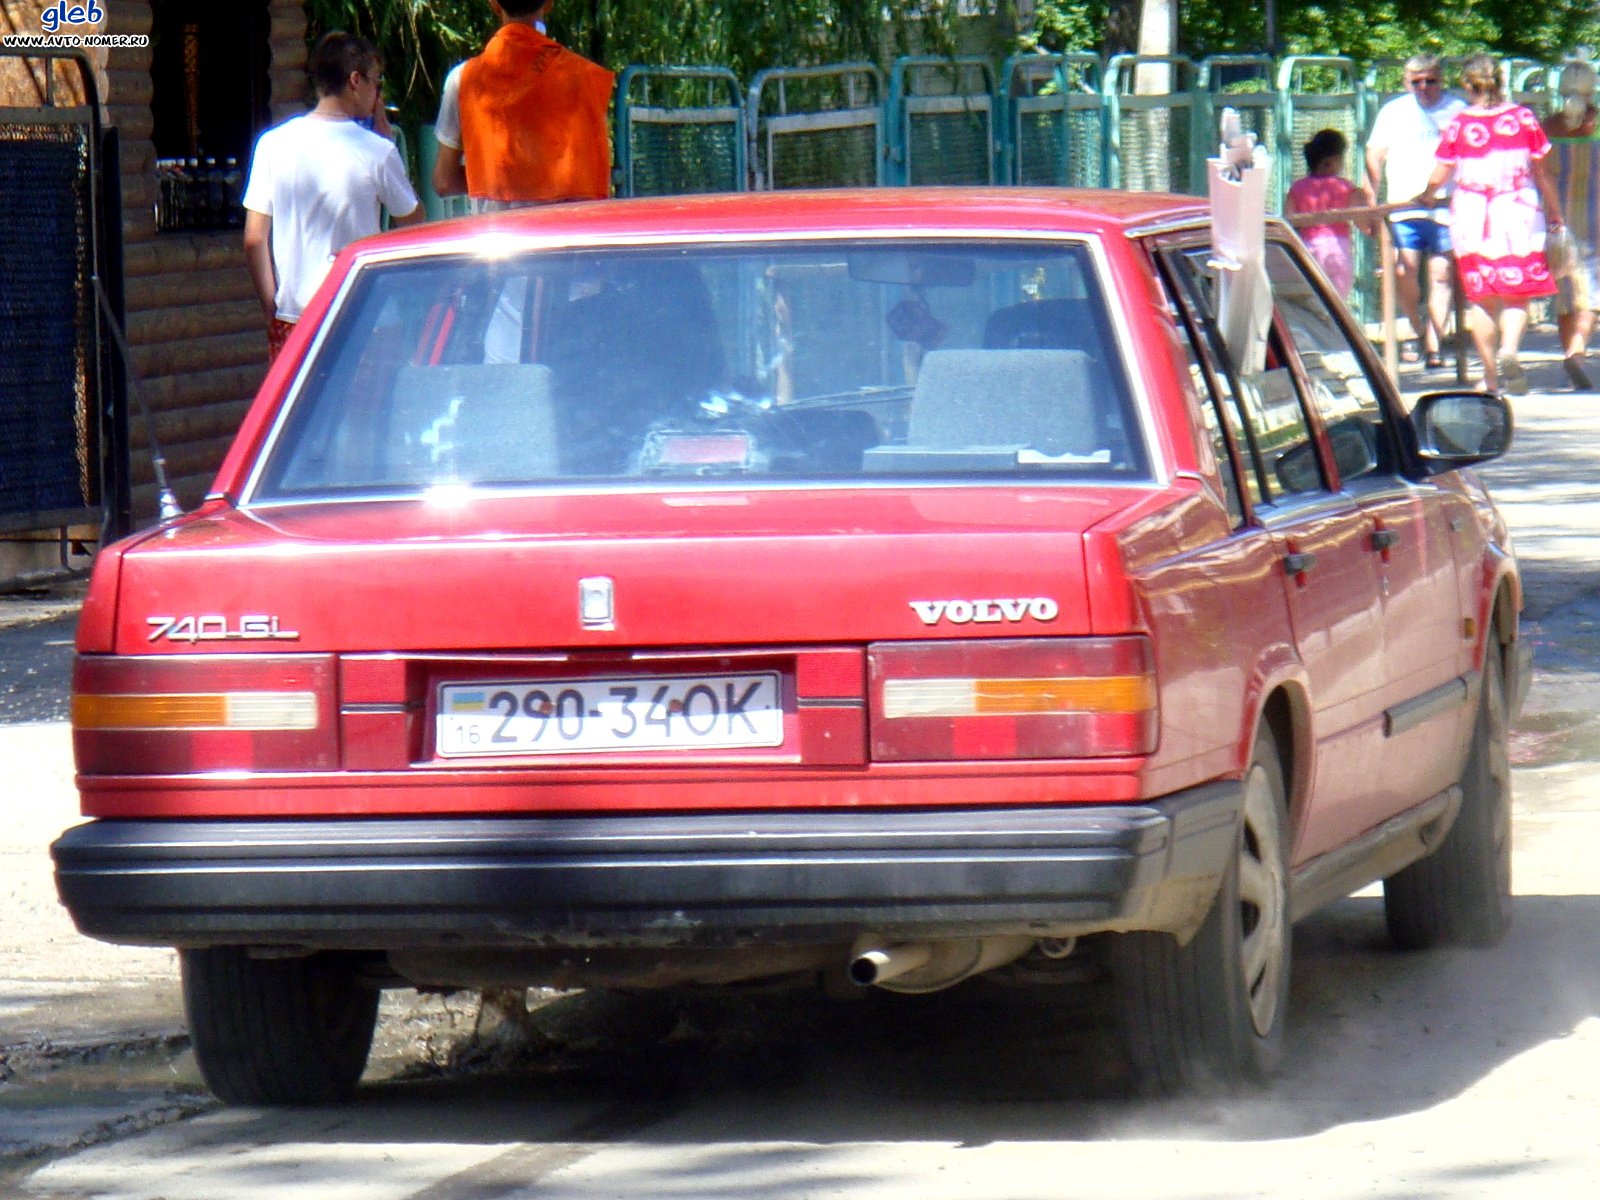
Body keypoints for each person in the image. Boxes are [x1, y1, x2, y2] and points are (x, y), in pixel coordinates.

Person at [243, 32, 421, 363]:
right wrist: (388, 145)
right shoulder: (377, 151)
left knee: (304, 412)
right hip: (364, 311)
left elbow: (254, 238)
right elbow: (413, 220)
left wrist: (273, 305)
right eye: (376, 84)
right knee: (371, 411)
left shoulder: (272, 144)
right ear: (356, 80)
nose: (376, 94)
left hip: (295, 314)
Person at [1417, 54, 1563, 394]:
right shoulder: (1524, 118)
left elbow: (1443, 169)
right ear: (1500, 81)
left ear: (1468, 85)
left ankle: (1490, 376)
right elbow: (1543, 172)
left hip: (1471, 214)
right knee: (1517, 293)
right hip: (1518, 211)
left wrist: (1427, 193)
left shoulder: (1461, 123)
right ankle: (1509, 349)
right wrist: (1555, 212)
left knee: (1481, 298)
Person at [431, 0, 614, 211]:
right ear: (548, 3)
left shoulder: (464, 80)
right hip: (568, 235)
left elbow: (443, 181)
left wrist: (497, 174)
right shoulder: (583, 78)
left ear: (494, 4)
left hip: (498, 239)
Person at [1366, 53, 1467, 369]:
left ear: (1441, 80)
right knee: (1404, 270)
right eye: (1416, 82)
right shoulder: (1393, 112)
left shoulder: (1458, 111)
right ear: (1406, 83)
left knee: (1441, 274)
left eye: (1431, 81)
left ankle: (1435, 346)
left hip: (1446, 207)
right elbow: (1374, 155)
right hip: (1404, 206)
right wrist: (1370, 200)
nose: (1424, 87)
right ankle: (1418, 327)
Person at [1542, 59, 1600, 390]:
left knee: (1565, 288)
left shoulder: (1547, 127)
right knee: (1591, 290)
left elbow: (1539, 171)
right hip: (1595, 214)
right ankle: (1577, 351)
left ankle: (1569, 350)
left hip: (1556, 216)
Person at [1286, 128, 1375, 299]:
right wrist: (1373, 229)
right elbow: (1361, 221)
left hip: (1307, 249)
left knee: (1313, 301)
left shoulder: (1296, 189)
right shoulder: (1345, 188)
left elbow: (1289, 223)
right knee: (1337, 303)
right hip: (1337, 247)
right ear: (1333, 160)